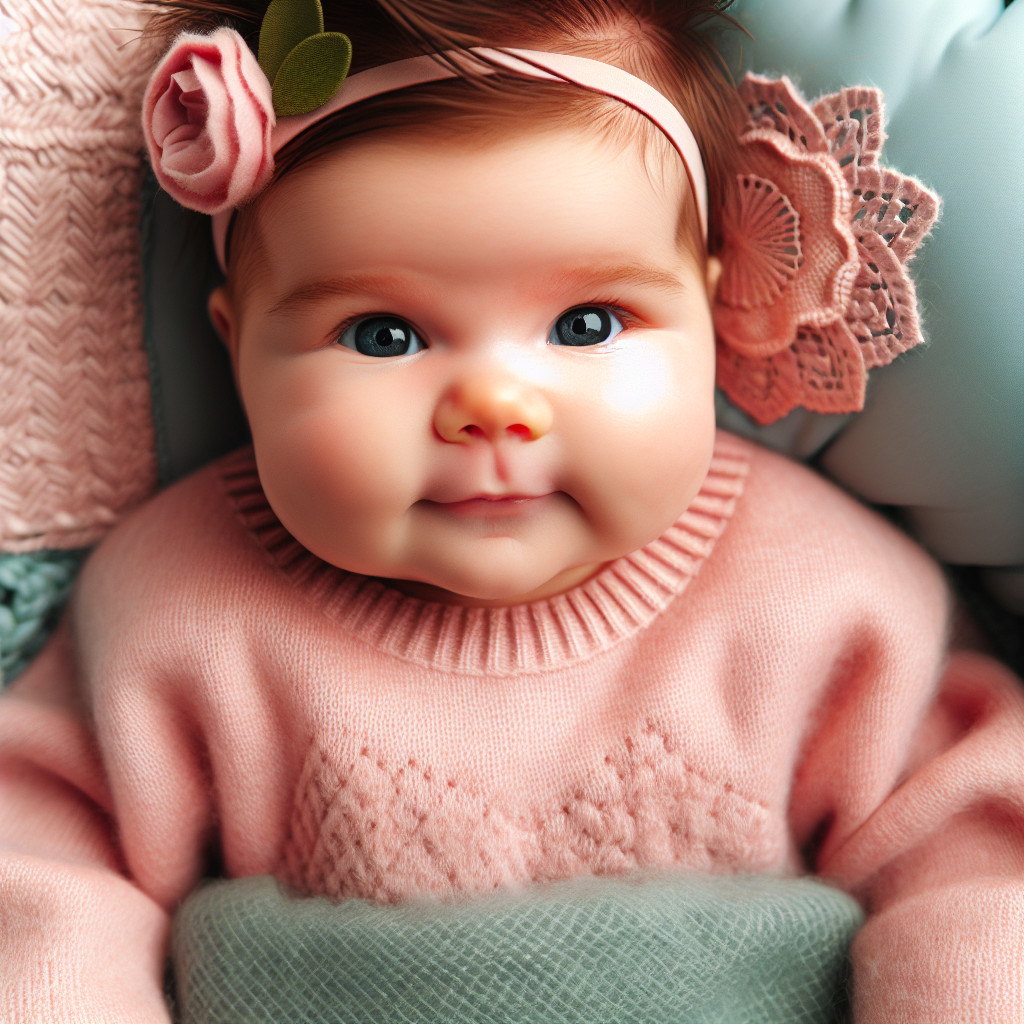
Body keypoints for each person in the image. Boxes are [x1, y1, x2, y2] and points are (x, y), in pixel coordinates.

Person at [1, 0, 1022, 1020]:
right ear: (238, 349)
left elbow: (977, 871)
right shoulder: (173, 610)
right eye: (384, 336)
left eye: (585, 323)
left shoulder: (827, 600)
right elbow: (39, 879)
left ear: (711, 321)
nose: (493, 406)